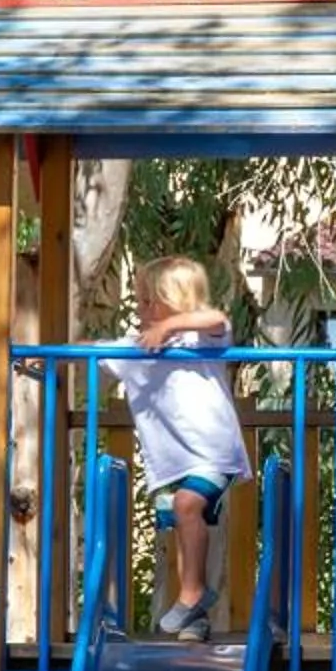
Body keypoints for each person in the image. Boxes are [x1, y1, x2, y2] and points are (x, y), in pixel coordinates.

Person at [102, 255, 252, 639]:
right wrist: (49, 356)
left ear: (179, 301)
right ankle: (194, 617)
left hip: (214, 453)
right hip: (173, 463)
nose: (142, 309)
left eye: (151, 301)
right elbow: (95, 350)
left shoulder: (199, 338)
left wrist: (169, 326)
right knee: (184, 525)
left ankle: (192, 594)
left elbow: (216, 319)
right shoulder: (137, 349)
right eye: (141, 300)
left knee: (188, 506)